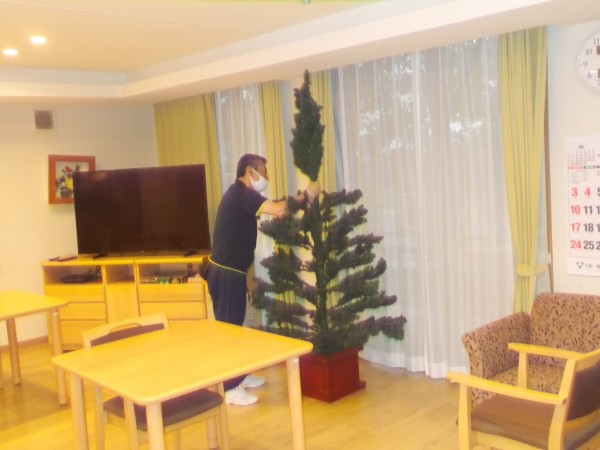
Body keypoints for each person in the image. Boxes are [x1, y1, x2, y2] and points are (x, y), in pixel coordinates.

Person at [207, 153, 320, 406]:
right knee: (230, 331)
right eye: (264, 172)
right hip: (225, 274)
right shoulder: (241, 194)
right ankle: (229, 389)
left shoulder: (242, 195)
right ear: (251, 172)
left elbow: (274, 207)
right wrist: (307, 196)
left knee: (236, 327)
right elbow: (279, 210)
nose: (266, 176)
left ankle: (239, 376)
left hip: (232, 272)